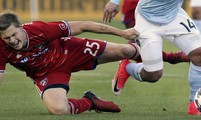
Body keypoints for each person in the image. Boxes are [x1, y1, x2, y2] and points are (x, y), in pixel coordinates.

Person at [0, 10, 140, 115]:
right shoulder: (1, 48)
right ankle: (90, 101)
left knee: (125, 51)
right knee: (59, 109)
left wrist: (122, 33)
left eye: (14, 35)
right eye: (7, 38)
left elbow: (84, 25)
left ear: (21, 27)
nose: (12, 40)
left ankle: (156, 58)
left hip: (70, 52)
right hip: (47, 73)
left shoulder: (39, 29)